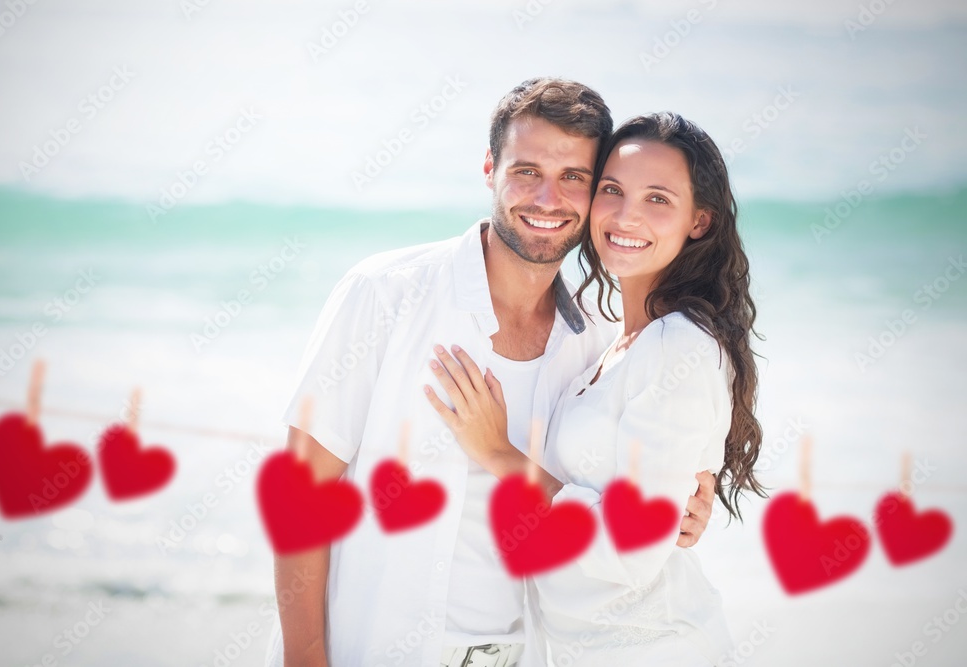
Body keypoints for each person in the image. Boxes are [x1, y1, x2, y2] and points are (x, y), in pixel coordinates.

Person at [267, 80, 717, 667]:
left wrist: (682, 506)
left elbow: (619, 503)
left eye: (573, 178)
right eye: (526, 171)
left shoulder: (599, 344)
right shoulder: (386, 293)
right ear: (490, 169)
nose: (548, 199)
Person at [426, 112, 764, 665]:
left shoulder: (679, 346)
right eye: (612, 190)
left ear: (699, 221)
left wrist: (498, 453)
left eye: (658, 199)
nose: (627, 215)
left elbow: (629, 549)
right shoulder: (612, 344)